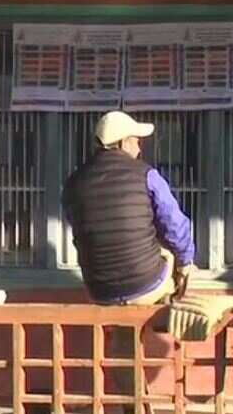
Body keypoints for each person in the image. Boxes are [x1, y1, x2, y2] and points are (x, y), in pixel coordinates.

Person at [62, 110, 195, 412]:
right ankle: (175, 307)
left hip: (101, 290)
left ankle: (135, 401)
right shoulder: (145, 174)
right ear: (122, 143)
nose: (139, 147)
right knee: (173, 253)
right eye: (135, 140)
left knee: (124, 334)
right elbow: (176, 226)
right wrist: (186, 263)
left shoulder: (72, 184)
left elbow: (79, 233)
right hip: (147, 284)